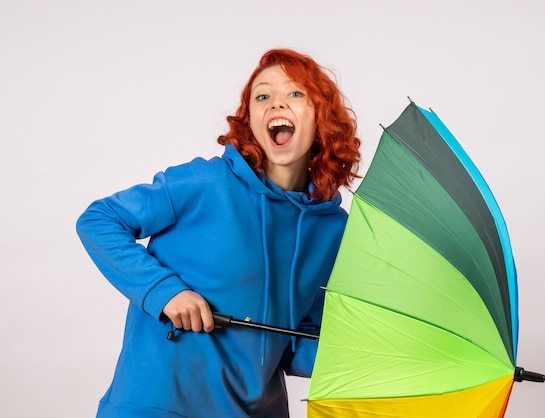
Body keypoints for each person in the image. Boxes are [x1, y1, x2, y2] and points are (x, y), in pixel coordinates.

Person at [76, 48, 361, 417]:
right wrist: (166, 293)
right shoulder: (206, 182)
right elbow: (99, 220)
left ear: (322, 117)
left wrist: (370, 357)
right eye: (263, 96)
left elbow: (295, 343)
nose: (277, 104)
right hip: (159, 405)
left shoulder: (333, 229)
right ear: (251, 119)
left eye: (295, 94)